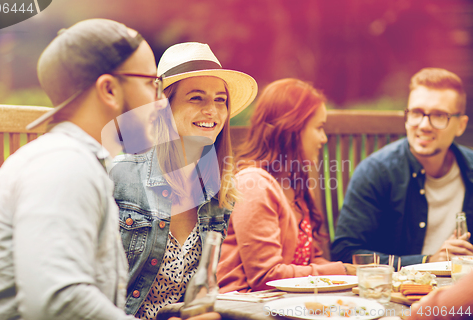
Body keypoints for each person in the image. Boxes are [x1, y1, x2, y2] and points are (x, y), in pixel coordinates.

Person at [0, 19, 167, 319]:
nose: (161, 100)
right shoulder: (64, 165)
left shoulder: (77, 161)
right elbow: (57, 301)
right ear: (109, 90)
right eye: (152, 83)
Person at [109, 42, 257, 319]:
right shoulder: (120, 177)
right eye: (196, 98)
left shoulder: (220, 195)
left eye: (220, 99)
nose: (212, 110)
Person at [216, 78, 356, 294]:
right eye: (319, 128)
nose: (324, 138)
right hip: (247, 304)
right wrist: (343, 270)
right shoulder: (254, 185)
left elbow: (312, 258)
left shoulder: (296, 184)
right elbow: (266, 277)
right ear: (292, 129)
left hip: (288, 299)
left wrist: (346, 274)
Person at [331, 68, 473, 267]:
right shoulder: (376, 172)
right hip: (394, 293)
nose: (424, 125)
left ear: (460, 125)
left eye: (439, 115)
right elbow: (345, 252)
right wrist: (427, 262)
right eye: (416, 113)